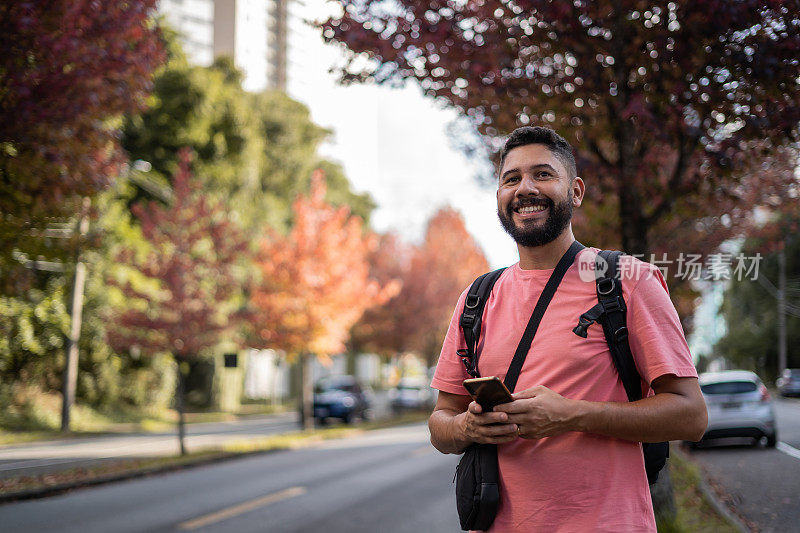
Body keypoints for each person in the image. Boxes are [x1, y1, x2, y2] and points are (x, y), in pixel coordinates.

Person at [428, 126, 707, 532]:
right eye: (512, 179)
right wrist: (468, 427)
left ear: (575, 191)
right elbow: (441, 422)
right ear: (500, 198)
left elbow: (691, 415)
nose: (525, 188)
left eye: (543, 174)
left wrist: (572, 415)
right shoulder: (477, 297)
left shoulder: (628, 279)